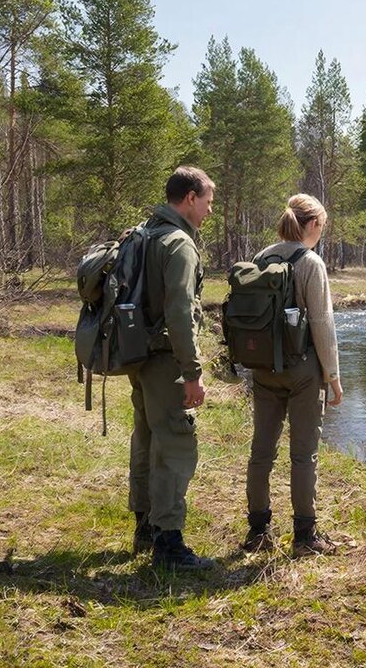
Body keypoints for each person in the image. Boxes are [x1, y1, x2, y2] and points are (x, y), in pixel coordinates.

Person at [241, 193, 343, 557]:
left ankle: (258, 531)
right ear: (312, 224)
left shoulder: (261, 258)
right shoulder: (310, 262)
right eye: (322, 226)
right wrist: (333, 377)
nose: (322, 232)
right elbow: (322, 325)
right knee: (303, 454)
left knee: (261, 451)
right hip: (302, 371)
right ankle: (304, 536)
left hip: (263, 368)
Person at [129, 166, 214, 570]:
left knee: (147, 438)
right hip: (165, 360)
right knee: (176, 444)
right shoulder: (179, 243)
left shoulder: (146, 233)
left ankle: (145, 527)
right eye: (208, 201)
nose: (210, 210)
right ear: (190, 198)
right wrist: (192, 373)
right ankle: (168, 543)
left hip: (140, 356)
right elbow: (180, 312)